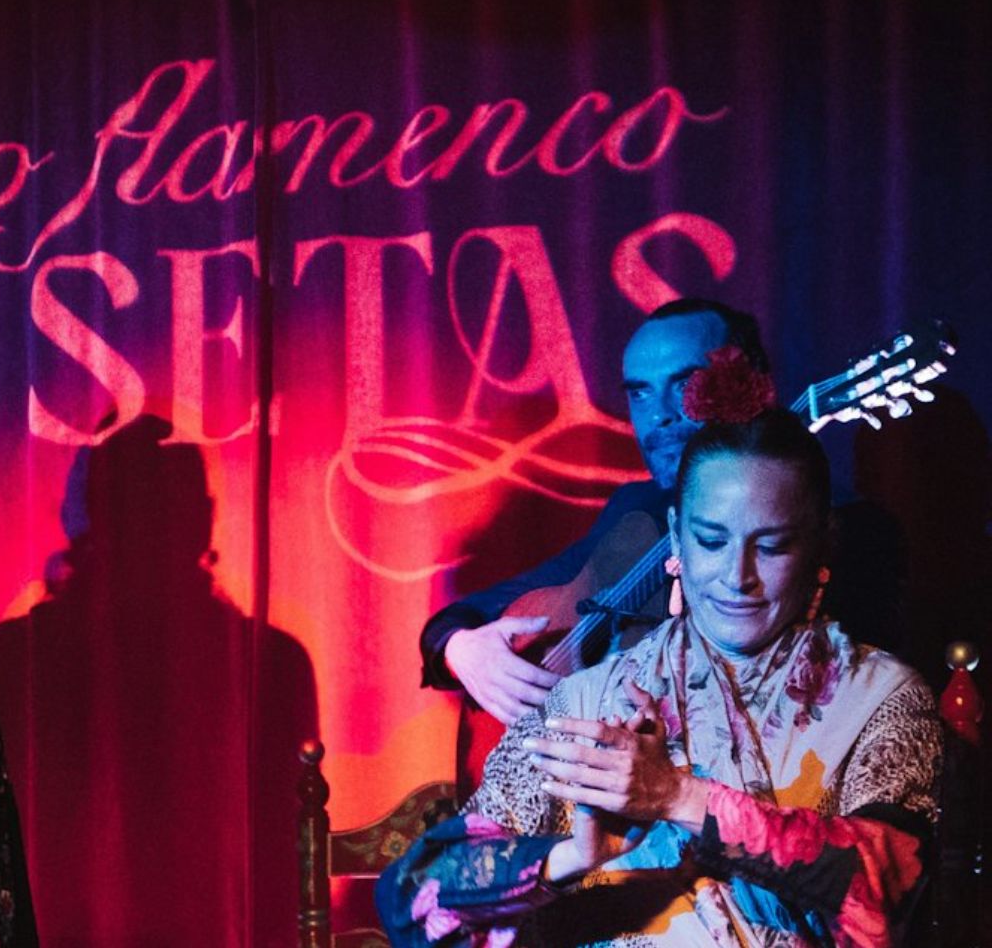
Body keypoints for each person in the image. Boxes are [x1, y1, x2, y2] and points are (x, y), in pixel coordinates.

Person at [379, 400, 940, 945]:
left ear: (821, 545)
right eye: (711, 541)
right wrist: (571, 856)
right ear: (676, 536)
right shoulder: (586, 702)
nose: (737, 575)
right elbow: (413, 899)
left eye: (771, 547)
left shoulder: (880, 698)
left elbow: (890, 888)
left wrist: (677, 797)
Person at [419, 299, 769, 725]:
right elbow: (469, 614)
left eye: (684, 384)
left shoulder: (821, 523)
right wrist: (463, 650)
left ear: (750, 383)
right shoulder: (637, 508)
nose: (658, 415)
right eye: (639, 393)